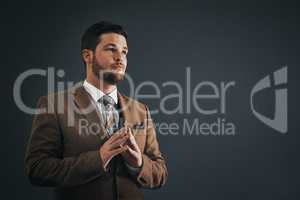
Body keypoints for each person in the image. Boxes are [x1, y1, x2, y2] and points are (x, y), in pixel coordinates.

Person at [25, 21, 168, 200]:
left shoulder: (141, 110)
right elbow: (37, 169)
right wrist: (98, 159)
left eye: (124, 52)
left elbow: (160, 173)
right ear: (87, 55)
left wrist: (138, 163)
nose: (120, 57)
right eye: (111, 49)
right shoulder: (53, 105)